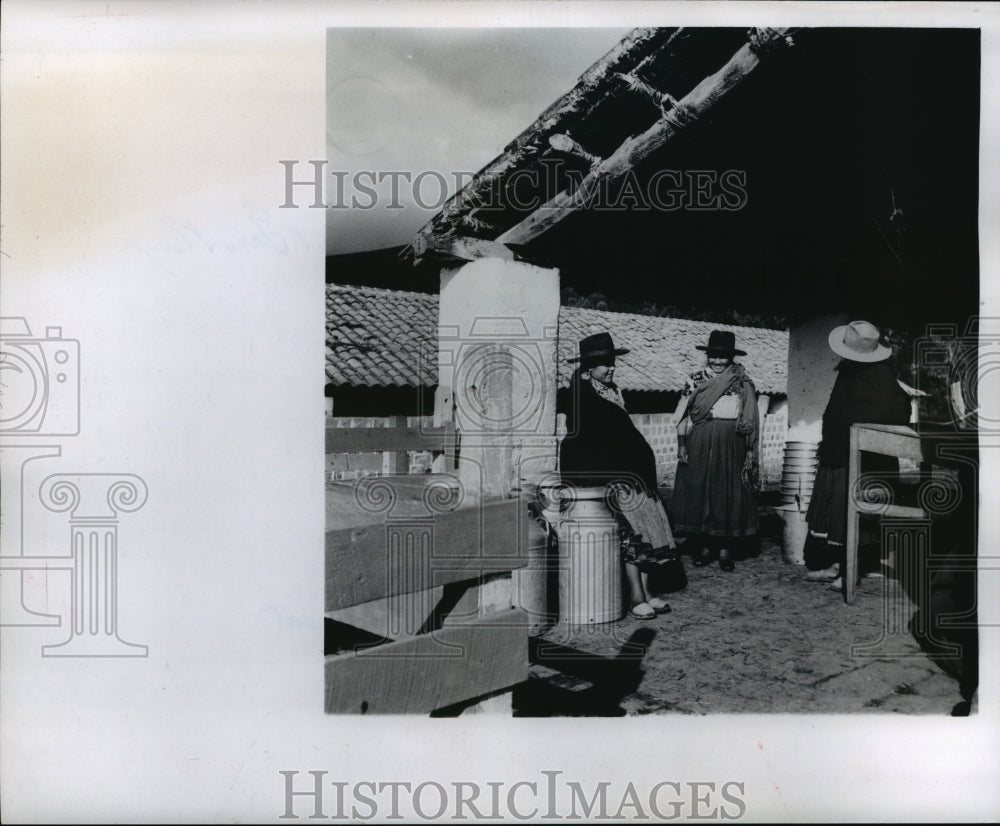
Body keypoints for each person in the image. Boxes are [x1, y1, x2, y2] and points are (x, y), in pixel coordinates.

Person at [559, 332, 679, 620]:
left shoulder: (611, 391)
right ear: (589, 367)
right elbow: (583, 443)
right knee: (632, 536)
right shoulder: (581, 397)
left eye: (612, 362)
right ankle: (636, 596)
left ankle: (648, 592)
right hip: (612, 476)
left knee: (648, 530)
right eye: (605, 363)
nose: (611, 368)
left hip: (634, 475)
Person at [802, 320, 911, 589]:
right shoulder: (853, 372)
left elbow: (894, 412)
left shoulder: (878, 379)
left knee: (851, 513)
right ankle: (838, 565)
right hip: (841, 455)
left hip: (861, 462)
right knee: (838, 515)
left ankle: (852, 570)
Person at [672, 330, 760, 572]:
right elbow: (682, 414)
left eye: (723, 357)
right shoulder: (695, 379)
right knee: (701, 491)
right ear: (707, 356)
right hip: (700, 440)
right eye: (714, 356)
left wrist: (749, 449)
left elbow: (750, 416)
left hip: (732, 442)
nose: (718, 361)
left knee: (726, 492)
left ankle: (724, 550)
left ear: (731, 358)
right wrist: (681, 444)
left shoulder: (741, 381)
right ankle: (703, 548)